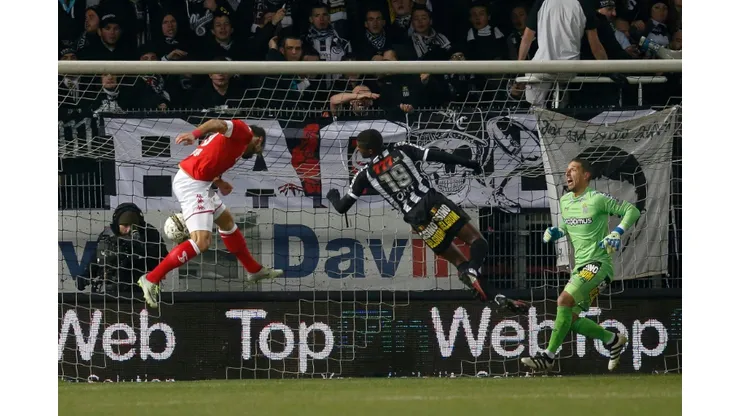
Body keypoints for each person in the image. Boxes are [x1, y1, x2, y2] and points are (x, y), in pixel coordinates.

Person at [326, 129, 526, 312]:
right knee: (477, 241)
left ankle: (496, 297)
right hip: (432, 202)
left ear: (369, 150)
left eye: (360, 148)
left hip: (416, 219)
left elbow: (342, 207)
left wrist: (333, 197)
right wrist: (468, 163)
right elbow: (437, 155)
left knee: (460, 263)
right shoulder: (401, 149)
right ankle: (476, 270)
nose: (358, 150)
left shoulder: (365, 175)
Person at [138, 119, 283, 308]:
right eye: (258, 150)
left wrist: (219, 182)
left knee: (227, 222)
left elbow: (212, 158)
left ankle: (253, 270)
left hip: (202, 183)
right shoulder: (244, 132)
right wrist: (194, 134)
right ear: (259, 140)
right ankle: (151, 278)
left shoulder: (236, 144)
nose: (255, 153)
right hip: (192, 184)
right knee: (201, 242)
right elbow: (216, 123)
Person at [520, 158, 640, 372]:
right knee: (570, 318)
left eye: (573, 170)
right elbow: (567, 226)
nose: (568, 174)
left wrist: (617, 232)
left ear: (586, 175)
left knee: (563, 300)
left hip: (599, 265)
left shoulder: (597, 199)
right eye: (567, 170)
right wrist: (557, 231)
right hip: (580, 268)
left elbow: (632, 210)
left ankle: (547, 357)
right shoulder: (565, 201)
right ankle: (613, 340)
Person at [78, 203, 168, 295]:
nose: (128, 229)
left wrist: (138, 250)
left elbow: (164, 259)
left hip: (142, 290)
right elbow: (96, 259)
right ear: (118, 224)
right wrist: (86, 275)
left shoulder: (149, 234)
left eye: (133, 226)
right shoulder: (107, 236)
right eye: (125, 225)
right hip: (111, 291)